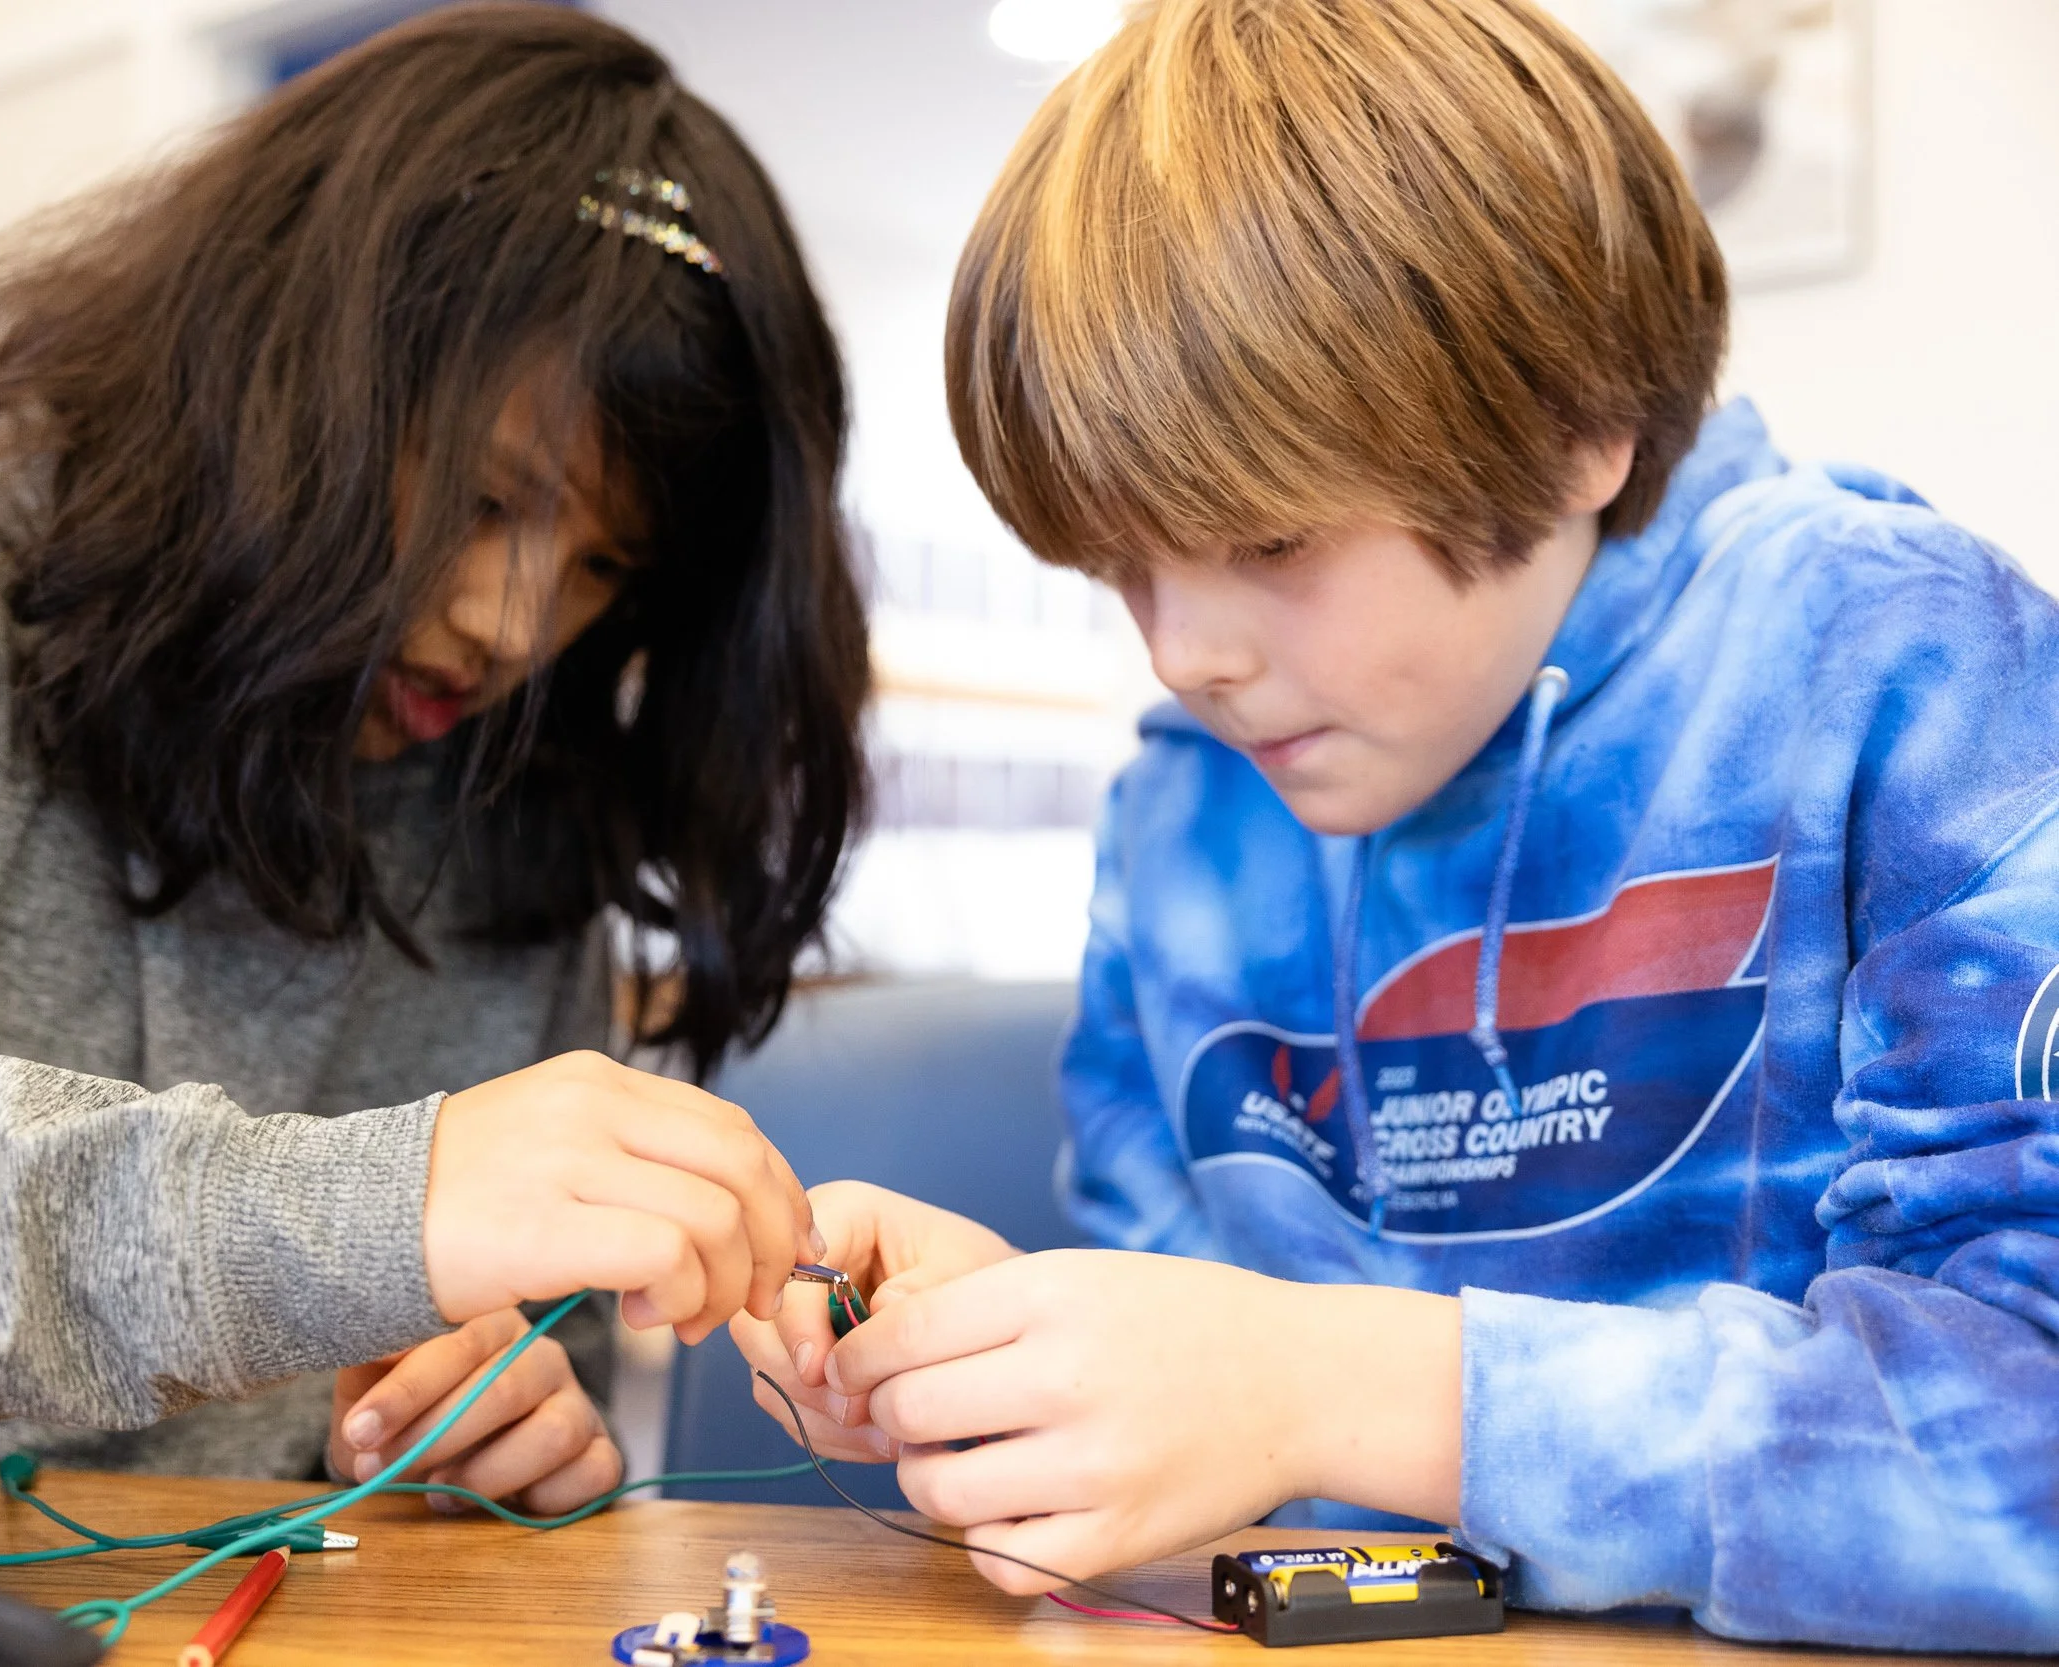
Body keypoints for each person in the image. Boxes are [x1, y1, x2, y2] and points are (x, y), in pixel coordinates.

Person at [735, 0, 2059, 1649]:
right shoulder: (1184, 809)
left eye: (1272, 537)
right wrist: (1009, 1362)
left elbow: (2028, 1444)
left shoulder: (1907, 665)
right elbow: (1210, 1415)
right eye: (1122, 566)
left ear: (1585, 428)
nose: (1185, 653)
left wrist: (1332, 1384)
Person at [0, 3, 866, 1516]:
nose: (514, 624)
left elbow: (451, 1395)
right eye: (484, 496)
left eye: (602, 567)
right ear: (279, 376)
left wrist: (500, 1440)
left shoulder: (514, 812)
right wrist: (366, 1208)